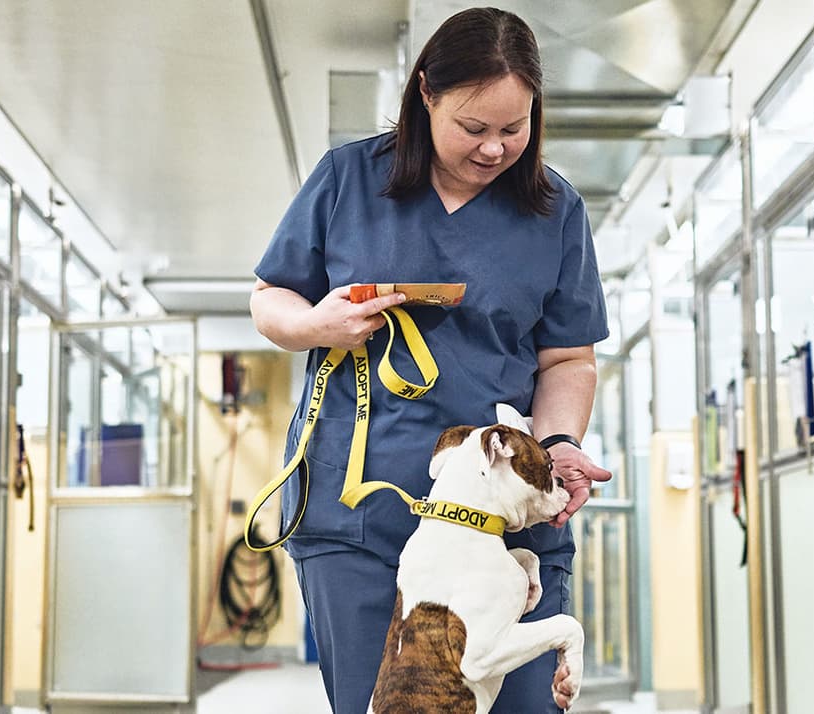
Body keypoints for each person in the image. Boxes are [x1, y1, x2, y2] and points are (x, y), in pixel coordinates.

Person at [250, 7, 612, 712]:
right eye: (473, 128)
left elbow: (569, 357)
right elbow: (271, 299)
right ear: (425, 95)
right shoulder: (348, 180)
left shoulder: (553, 210)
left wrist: (560, 440)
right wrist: (316, 324)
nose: (494, 149)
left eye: (514, 128)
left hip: (503, 516)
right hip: (361, 516)